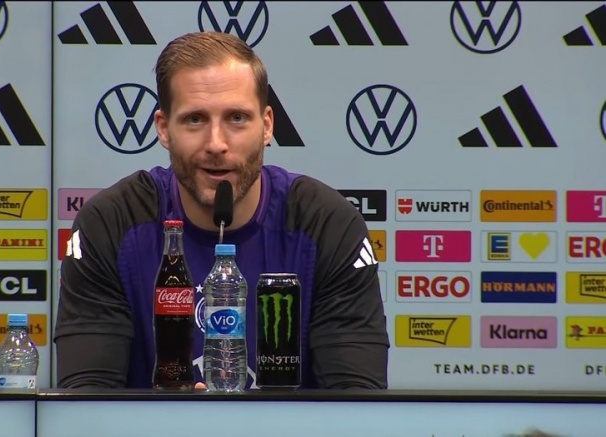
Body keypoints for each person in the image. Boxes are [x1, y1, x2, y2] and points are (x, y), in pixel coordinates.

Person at [54, 31, 389, 390]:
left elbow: (357, 402)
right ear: (164, 129)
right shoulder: (110, 224)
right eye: (195, 119)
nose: (216, 144)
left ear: (267, 126)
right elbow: (85, 401)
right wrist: (169, 416)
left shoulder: (327, 224)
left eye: (237, 118)